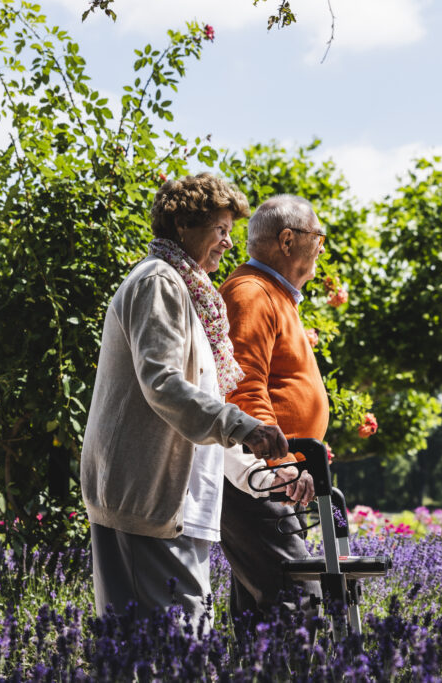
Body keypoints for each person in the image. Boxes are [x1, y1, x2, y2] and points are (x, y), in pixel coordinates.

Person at [80, 173, 298, 625]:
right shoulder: (157, 282)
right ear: (182, 225)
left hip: (176, 504)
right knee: (174, 652)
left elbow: (203, 405)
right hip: (148, 500)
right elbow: (162, 383)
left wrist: (266, 476)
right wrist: (244, 425)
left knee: (159, 651)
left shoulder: (188, 290)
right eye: (220, 230)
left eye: (230, 232)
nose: (227, 244)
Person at [218, 194, 329, 621]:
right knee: (299, 598)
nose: (321, 246)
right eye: (317, 236)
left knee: (260, 613)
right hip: (258, 477)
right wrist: (279, 461)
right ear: (287, 240)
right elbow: (242, 387)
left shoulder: (272, 294)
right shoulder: (252, 292)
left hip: (272, 477)